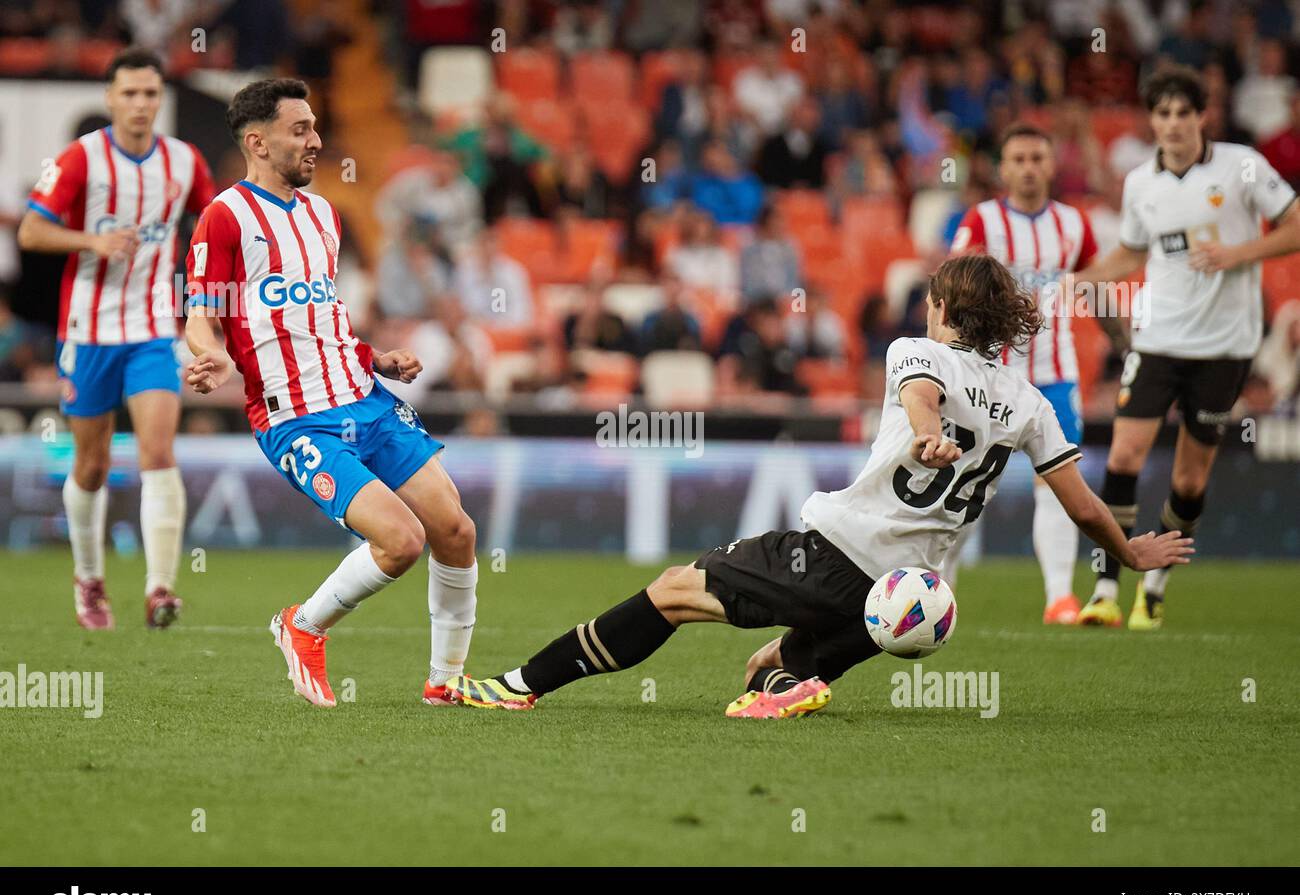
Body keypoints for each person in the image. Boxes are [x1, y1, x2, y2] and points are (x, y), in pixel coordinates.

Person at [444, 255, 1192, 717]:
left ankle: (519, 684)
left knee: (672, 591)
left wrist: (930, 432)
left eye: (933, 299)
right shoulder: (1028, 402)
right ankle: (794, 679)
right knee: (773, 665)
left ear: (948, 308)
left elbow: (923, 396)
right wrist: (1129, 555)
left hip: (838, 550)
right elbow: (1082, 503)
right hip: (900, 600)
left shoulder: (916, 352)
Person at [182, 78, 479, 709]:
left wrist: (375, 357)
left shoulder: (324, 215)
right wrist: (207, 355)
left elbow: (318, 314)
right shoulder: (225, 216)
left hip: (364, 396)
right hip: (297, 420)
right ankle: (303, 626)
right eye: (301, 131)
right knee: (400, 541)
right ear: (257, 142)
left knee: (455, 529)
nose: (317, 141)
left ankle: (446, 681)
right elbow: (203, 313)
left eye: (316, 128)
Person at [1073, 66, 1300, 629]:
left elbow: (1297, 225)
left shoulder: (1242, 166)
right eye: (1162, 113)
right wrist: (1087, 279)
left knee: (1190, 480)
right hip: (1158, 341)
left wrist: (1240, 254)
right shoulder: (1139, 184)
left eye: (1182, 112)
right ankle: (1105, 587)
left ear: (1203, 116)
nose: (1172, 124)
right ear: (1151, 120)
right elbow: (1132, 251)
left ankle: (1154, 586)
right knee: (1123, 457)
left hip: (1226, 348)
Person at [16, 47, 215, 630]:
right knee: (92, 465)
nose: (140, 104)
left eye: (150, 93)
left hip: (154, 328)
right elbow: (30, 231)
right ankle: (90, 577)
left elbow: (211, 225)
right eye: (129, 93)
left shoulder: (184, 162)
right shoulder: (81, 160)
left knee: (157, 451)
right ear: (109, 98)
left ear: (161, 98)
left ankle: (160, 589)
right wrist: (91, 242)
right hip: (88, 329)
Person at [950, 123, 1099, 624]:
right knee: (961, 483)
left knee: (1057, 482)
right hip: (987, 376)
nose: (1029, 167)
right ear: (1003, 168)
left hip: (1056, 376)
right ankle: (939, 591)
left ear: (1052, 164)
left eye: (1038, 157)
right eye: (1019, 159)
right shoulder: (982, 222)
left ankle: (1059, 598)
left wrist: (1124, 345)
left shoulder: (1075, 225)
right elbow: (953, 290)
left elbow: (1095, 285)